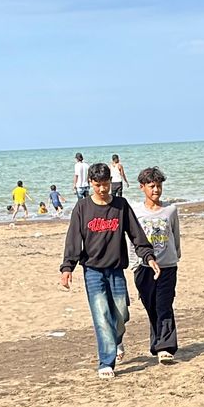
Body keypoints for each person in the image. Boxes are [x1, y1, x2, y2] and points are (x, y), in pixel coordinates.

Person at [59, 162, 150, 379]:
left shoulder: (121, 205)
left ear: (111, 181)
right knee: (101, 315)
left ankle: (117, 339)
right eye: (98, 185)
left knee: (121, 314)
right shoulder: (82, 208)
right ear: (90, 183)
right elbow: (73, 240)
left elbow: (136, 234)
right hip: (92, 270)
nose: (102, 189)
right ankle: (106, 362)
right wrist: (67, 268)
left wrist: (148, 255)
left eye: (106, 184)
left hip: (116, 269)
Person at [131, 166, 181, 364]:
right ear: (142, 187)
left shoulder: (170, 210)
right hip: (143, 267)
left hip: (167, 264)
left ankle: (166, 346)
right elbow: (131, 238)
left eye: (159, 186)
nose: (156, 190)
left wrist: (176, 255)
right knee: (151, 306)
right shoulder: (135, 211)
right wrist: (135, 263)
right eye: (152, 186)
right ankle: (157, 342)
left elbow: (175, 234)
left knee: (164, 305)